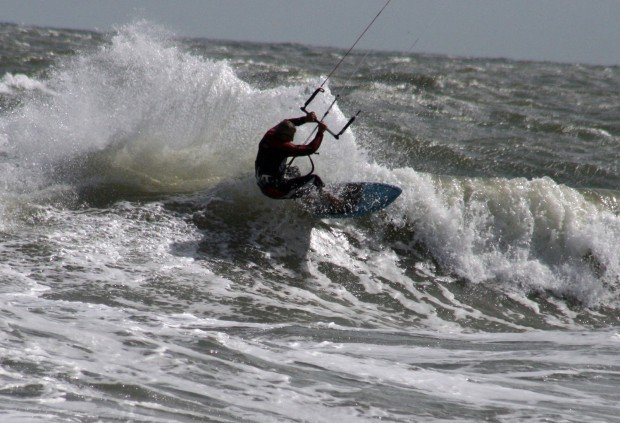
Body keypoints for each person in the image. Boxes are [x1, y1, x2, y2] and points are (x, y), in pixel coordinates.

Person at [255, 112, 328, 199]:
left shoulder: (270, 134)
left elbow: (287, 121)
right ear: (283, 135)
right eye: (290, 137)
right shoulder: (283, 147)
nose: (292, 139)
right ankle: (329, 199)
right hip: (275, 191)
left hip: (262, 181)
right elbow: (310, 149)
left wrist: (305, 119)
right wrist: (320, 132)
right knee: (314, 179)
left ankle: (307, 196)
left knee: (294, 171)